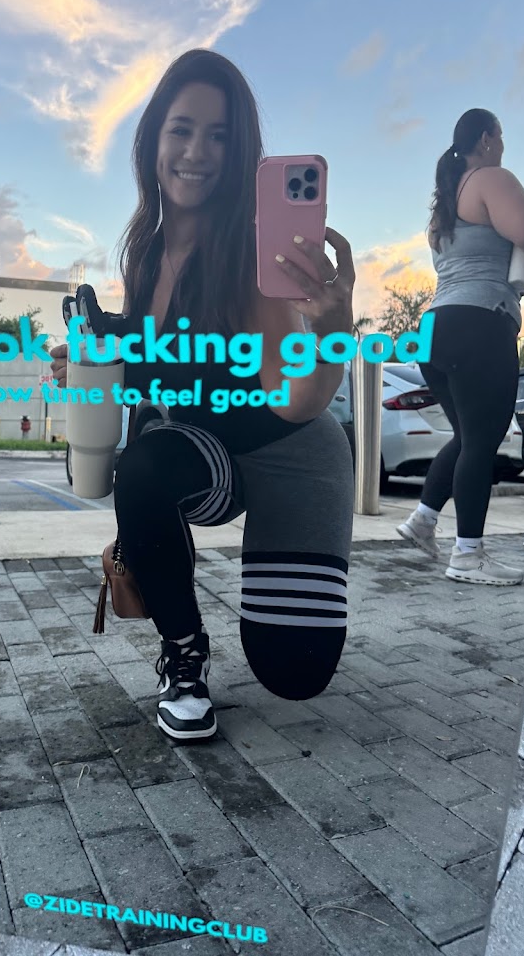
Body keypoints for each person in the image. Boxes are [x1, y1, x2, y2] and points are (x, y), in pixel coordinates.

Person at [50, 49, 356, 741]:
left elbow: (294, 399)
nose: (197, 152)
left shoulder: (252, 253)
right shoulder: (147, 250)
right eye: (182, 129)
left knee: (294, 673)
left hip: (292, 452)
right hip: (211, 456)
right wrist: (100, 355)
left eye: (219, 136)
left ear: (240, 152)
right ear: (153, 141)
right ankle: (184, 655)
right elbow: (169, 358)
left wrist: (334, 329)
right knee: (145, 466)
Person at [397, 109, 524, 585]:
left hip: (436, 327)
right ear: (486, 139)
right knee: (483, 441)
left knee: (468, 437)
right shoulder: (490, 178)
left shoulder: (444, 204)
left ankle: (423, 519)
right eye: (500, 137)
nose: (502, 147)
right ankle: (468, 554)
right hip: (480, 322)